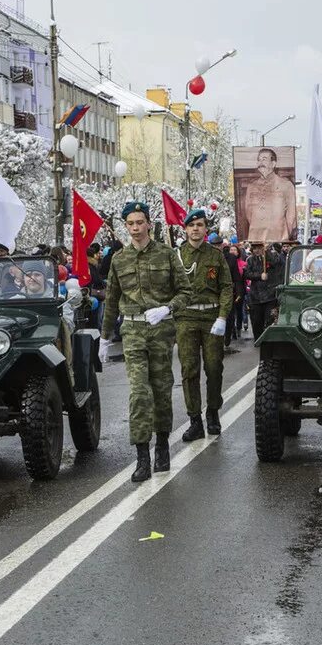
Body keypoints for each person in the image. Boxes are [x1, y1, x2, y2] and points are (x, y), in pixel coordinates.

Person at [99, 201, 192, 482]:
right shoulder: (119, 260)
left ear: (149, 224)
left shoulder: (166, 255)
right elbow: (112, 300)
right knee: (139, 393)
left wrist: (167, 308)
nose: (136, 228)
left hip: (161, 331)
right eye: (131, 224)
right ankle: (142, 456)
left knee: (162, 390)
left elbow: (185, 292)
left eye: (140, 222)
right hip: (133, 331)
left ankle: (162, 445)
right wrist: (104, 338)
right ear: (126, 226)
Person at [174, 210, 233, 442]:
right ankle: (195, 420)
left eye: (200, 225)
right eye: (192, 225)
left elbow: (226, 287)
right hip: (186, 318)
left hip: (211, 319)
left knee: (214, 368)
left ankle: (213, 413)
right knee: (189, 370)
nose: (196, 229)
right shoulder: (176, 256)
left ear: (206, 230)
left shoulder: (215, 256)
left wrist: (223, 317)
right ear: (185, 229)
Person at [241, 147, 297, 242]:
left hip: (278, 237)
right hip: (255, 238)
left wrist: (283, 233)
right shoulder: (252, 186)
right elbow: (248, 212)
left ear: (273, 163)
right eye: (258, 160)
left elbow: (291, 215)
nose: (260, 162)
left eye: (264, 159)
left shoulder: (286, 185)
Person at [242, 241, 282, 337]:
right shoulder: (250, 260)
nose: (257, 250)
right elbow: (246, 274)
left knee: (269, 320)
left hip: (270, 296)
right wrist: (259, 276)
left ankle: (268, 341)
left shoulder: (272, 256)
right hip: (255, 296)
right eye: (255, 248)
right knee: (256, 321)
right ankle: (258, 339)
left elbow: (275, 262)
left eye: (259, 248)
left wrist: (266, 251)